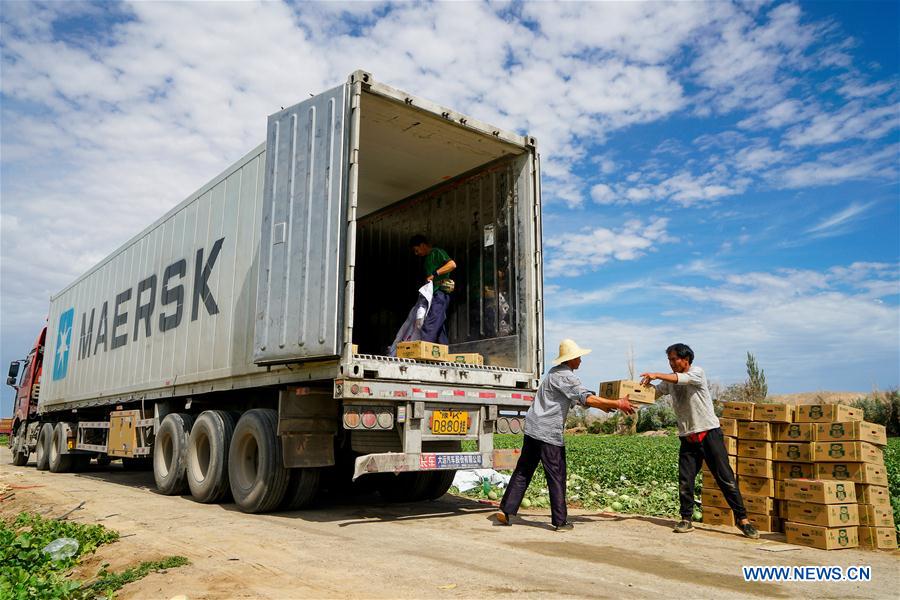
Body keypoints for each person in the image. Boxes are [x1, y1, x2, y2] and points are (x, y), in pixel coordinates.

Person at [496, 339, 636, 531]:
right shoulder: (567, 377)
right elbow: (585, 396)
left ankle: (506, 510)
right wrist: (618, 403)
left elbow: (579, 399)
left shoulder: (554, 373)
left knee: (524, 470)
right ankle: (560, 521)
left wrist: (605, 406)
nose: (580, 360)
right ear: (571, 359)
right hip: (548, 432)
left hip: (533, 428)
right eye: (578, 357)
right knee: (556, 474)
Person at [640, 343, 759, 539]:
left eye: (673, 359)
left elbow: (681, 379)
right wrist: (635, 393)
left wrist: (657, 374)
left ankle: (743, 520)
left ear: (685, 360)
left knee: (725, 478)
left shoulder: (697, 373)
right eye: (669, 360)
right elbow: (655, 393)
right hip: (688, 437)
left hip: (708, 434)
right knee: (685, 480)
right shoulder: (670, 380)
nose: (671, 363)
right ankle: (686, 519)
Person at [409, 235, 456, 344]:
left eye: (417, 250)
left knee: (431, 322)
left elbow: (452, 264)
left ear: (422, 245)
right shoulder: (426, 260)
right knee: (438, 323)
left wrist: (434, 274)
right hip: (432, 294)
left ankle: (424, 346)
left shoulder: (437, 252)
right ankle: (443, 351)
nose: (417, 254)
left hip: (441, 293)